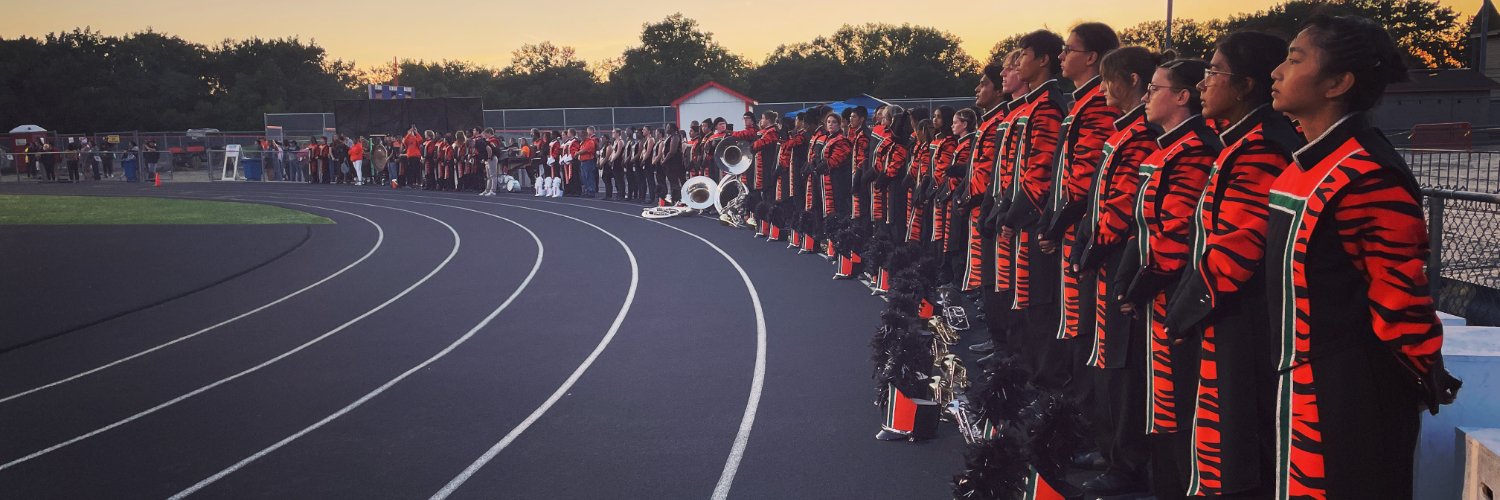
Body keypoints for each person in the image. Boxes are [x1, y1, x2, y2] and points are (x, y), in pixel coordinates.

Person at [1260, 14, 1461, 499]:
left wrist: (1421, 374)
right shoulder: (1309, 161)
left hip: (1350, 398)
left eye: (1294, 58)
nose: (1277, 72)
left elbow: (1402, 297)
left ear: (1337, 83)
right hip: (1301, 382)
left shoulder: (1367, 173)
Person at [1119, 57, 1220, 499]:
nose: (1145, 97)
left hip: (1175, 294)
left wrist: (1142, 284)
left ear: (1182, 97)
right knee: (1157, 399)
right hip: (1155, 289)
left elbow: (1175, 232)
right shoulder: (1169, 147)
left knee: (1176, 404)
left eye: (1155, 89)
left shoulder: (1195, 149)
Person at [1071, 45, 1164, 496]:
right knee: (1105, 358)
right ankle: (1110, 446)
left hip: (1124, 263)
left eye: (1112, 79)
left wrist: (1096, 247)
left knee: (1124, 366)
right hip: (1108, 260)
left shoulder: (1144, 136)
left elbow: (1124, 208)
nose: (1104, 88)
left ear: (1133, 82)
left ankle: (1127, 461)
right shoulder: (1123, 133)